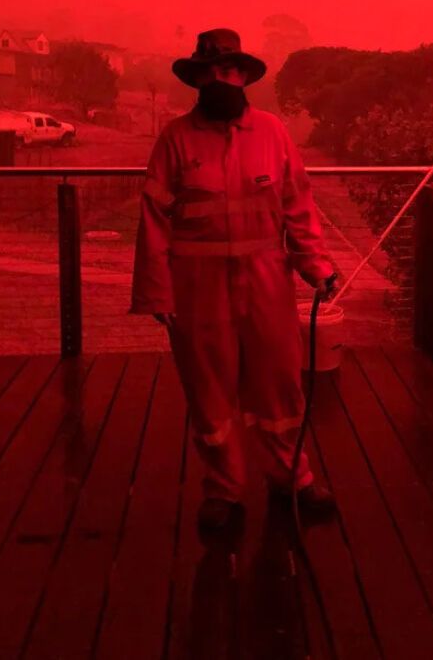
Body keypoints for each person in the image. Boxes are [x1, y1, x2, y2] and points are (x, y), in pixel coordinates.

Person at [131, 28, 338, 530]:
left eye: (228, 71)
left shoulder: (273, 133)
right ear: (197, 79)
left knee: (280, 385)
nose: (219, 80)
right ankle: (223, 492)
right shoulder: (175, 139)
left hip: (267, 282)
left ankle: (292, 479)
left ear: (243, 76)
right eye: (210, 73)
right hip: (196, 289)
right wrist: (157, 290)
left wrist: (317, 266)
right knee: (210, 391)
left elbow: (298, 206)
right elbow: (154, 218)